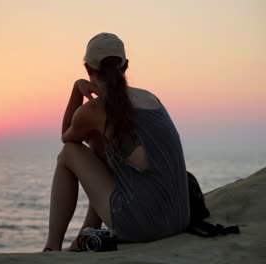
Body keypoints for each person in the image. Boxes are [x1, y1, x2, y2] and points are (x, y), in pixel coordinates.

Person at [43, 32, 190, 252]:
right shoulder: (150, 98)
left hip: (145, 226)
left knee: (68, 153)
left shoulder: (94, 110)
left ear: (88, 69)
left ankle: (52, 248)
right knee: (98, 143)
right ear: (126, 66)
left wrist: (76, 90)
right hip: (179, 219)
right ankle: (85, 234)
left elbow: (67, 137)